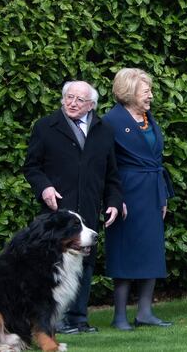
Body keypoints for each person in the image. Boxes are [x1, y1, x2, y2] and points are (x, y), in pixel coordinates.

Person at [23, 80, 121, 334]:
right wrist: (44, 187)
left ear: (91, 105)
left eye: (79, 100)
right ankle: (56, 321)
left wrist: (113, 202)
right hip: (58, 214)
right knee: (54, 265)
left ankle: (79, 319)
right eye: (69, 97)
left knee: (85, 264)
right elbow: (32, 167)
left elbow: (111, 174)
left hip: (88, 210)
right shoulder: (45, 127)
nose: (72, 103)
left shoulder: (104, 131)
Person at [103, 68, 175, 329]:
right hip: (127, 193)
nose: (151, 96)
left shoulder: (147, 118)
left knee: (151, 251)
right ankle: (119, 315)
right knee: (125, 251)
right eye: (146, 92)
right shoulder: (111, 121)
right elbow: (106, 165)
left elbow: (155, 159)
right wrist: (114, 198)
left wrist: (162, 196)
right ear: (129, 92)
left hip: (151, 191)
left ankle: (145, 312)